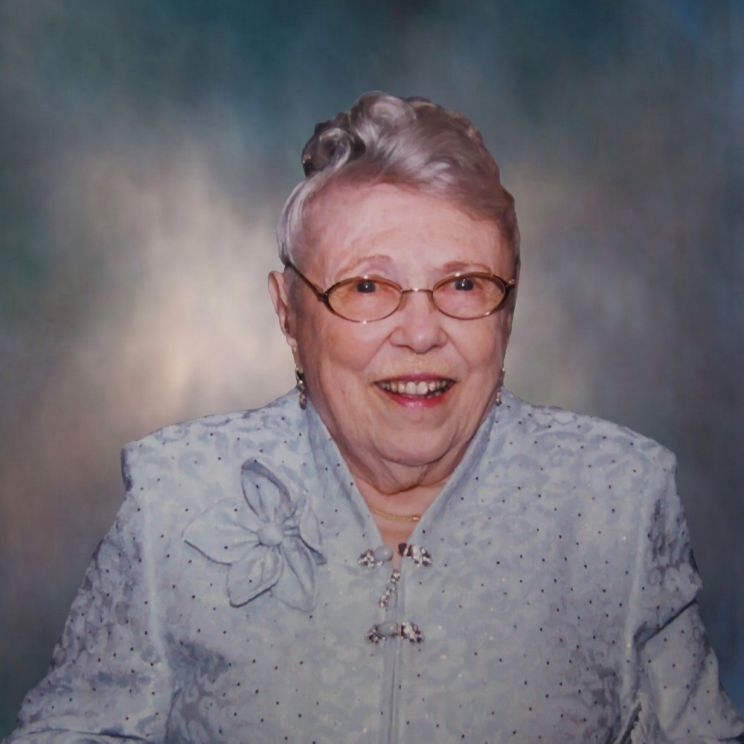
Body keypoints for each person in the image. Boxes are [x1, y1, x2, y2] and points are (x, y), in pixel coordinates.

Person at [5, 92, 743, 743]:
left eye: (463, 284)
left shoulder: (618, 500)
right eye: (366, 287)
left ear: (509, 309)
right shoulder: (175, 496)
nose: (421, 333)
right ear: (288, 314)